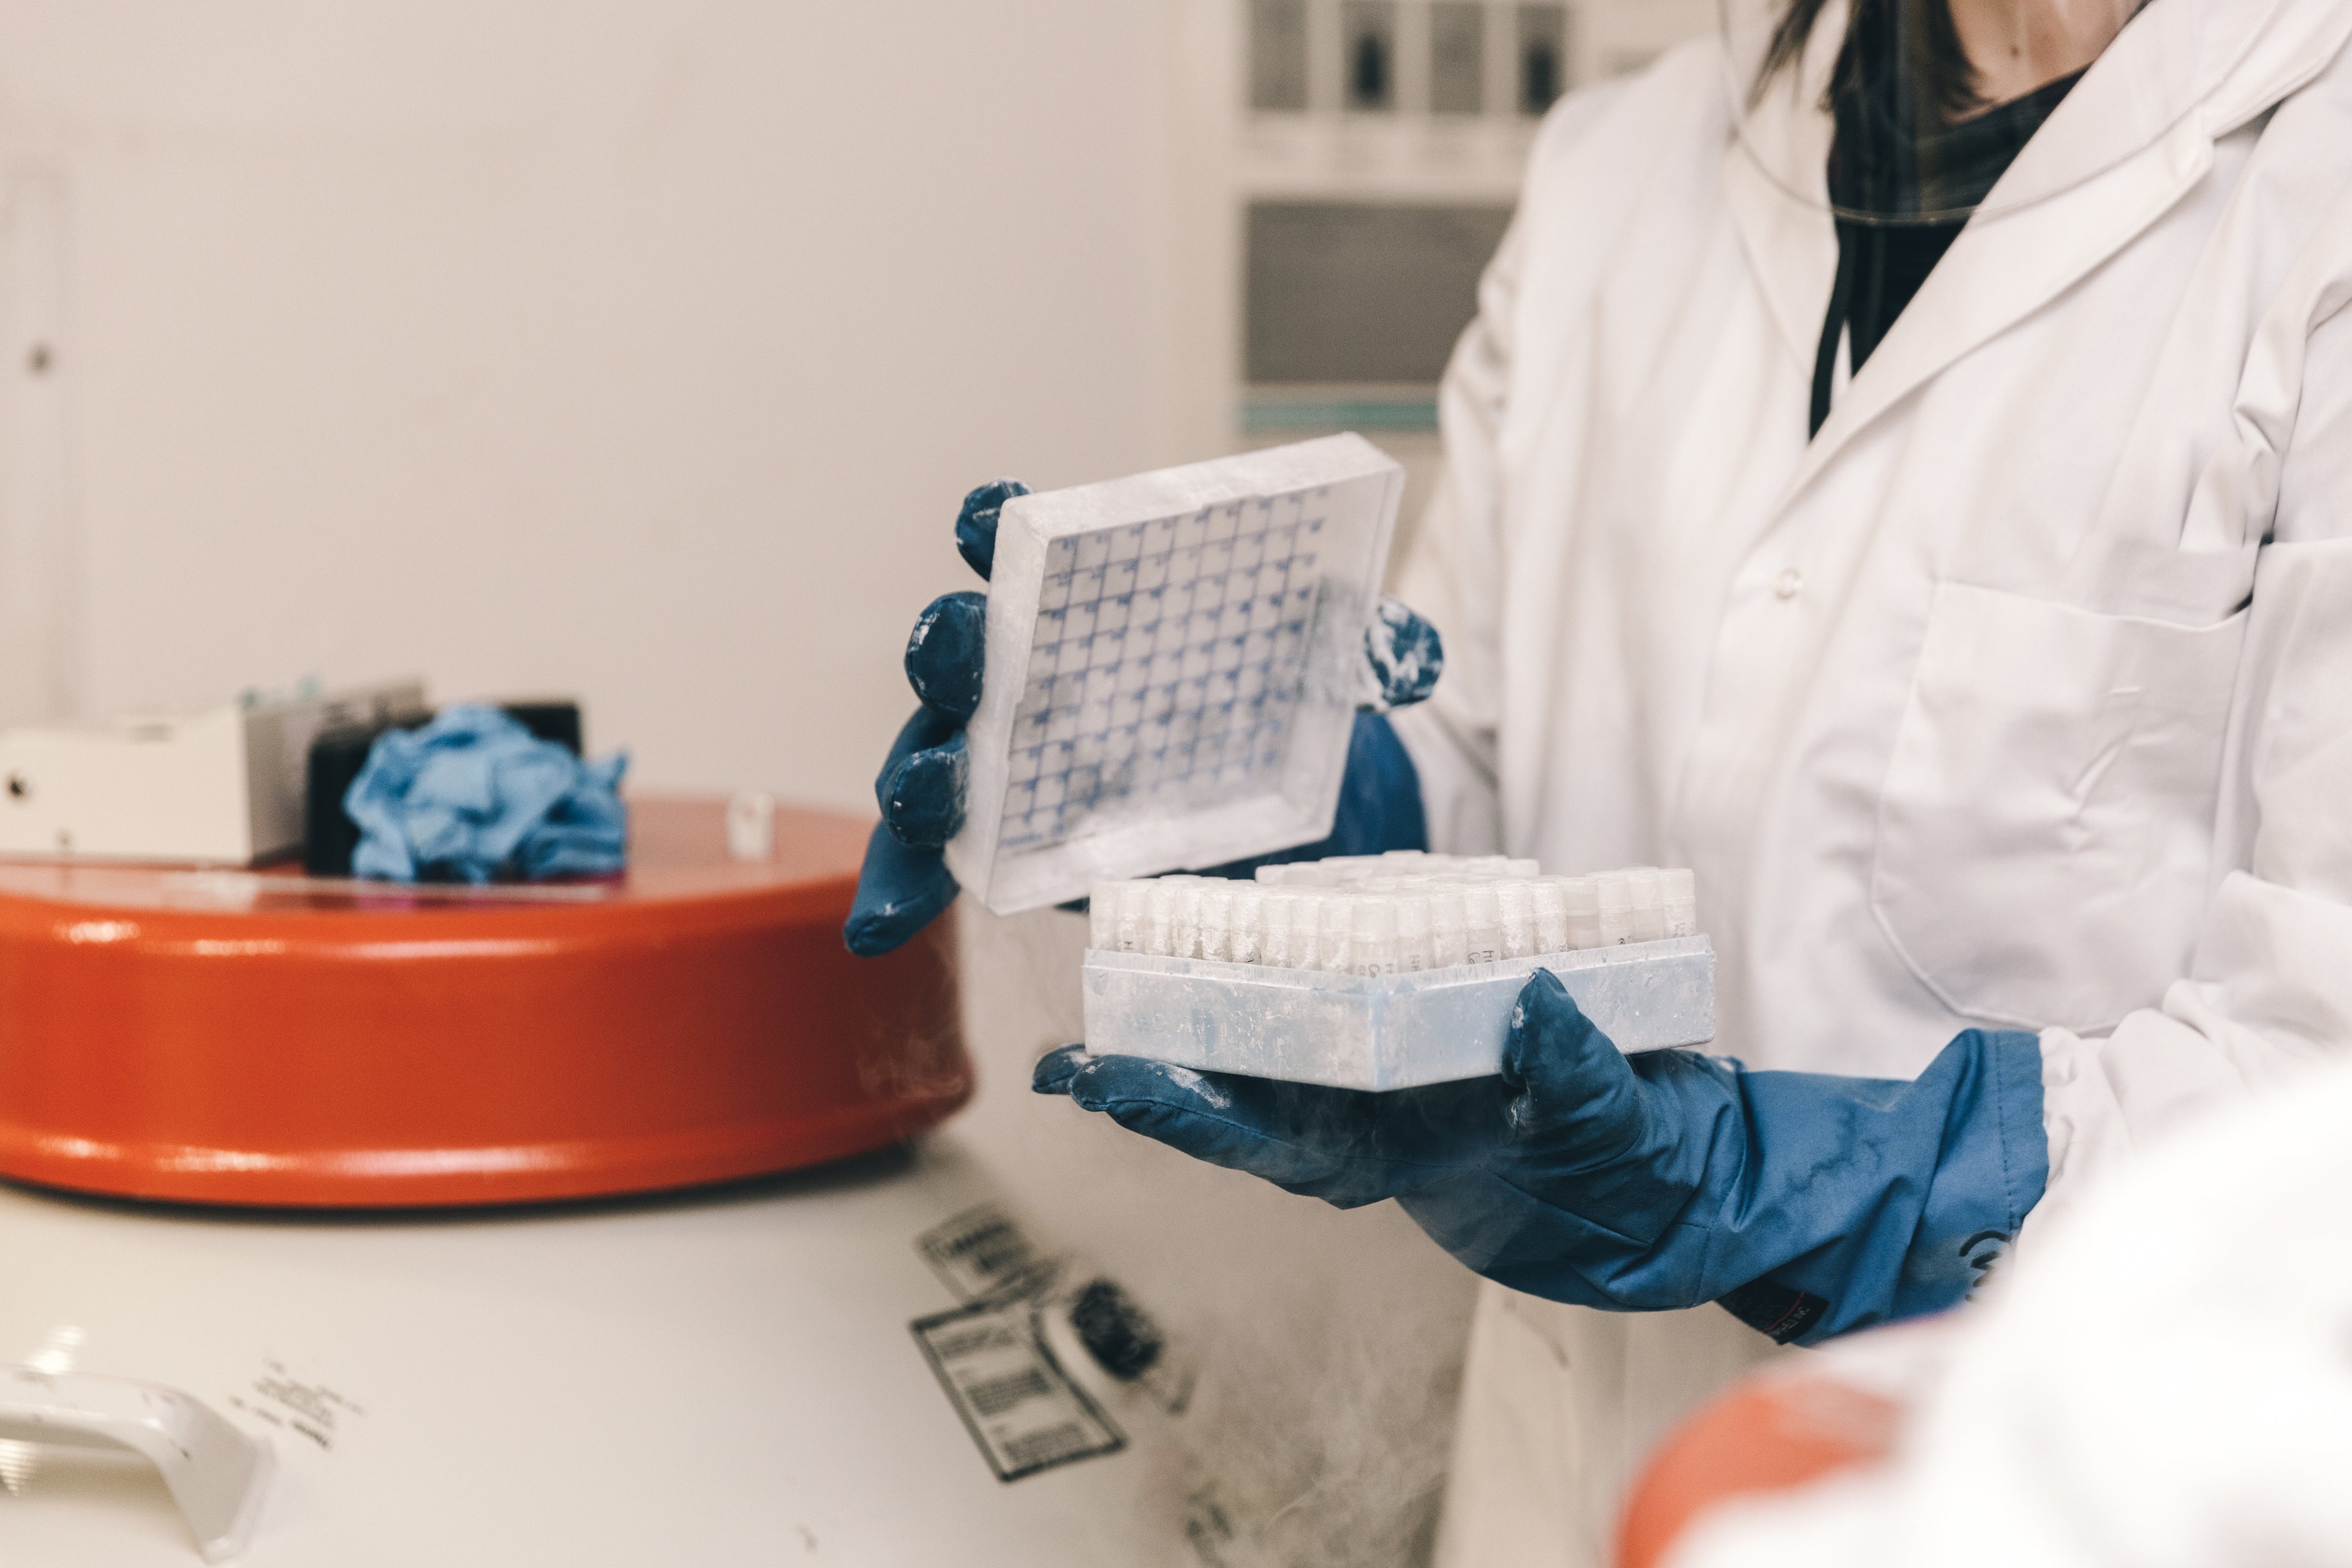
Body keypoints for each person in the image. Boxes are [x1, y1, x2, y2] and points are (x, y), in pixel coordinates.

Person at [850, 0, 2352, 1559]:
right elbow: (1482, 750)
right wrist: (1241, 815)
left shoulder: (2317, 188)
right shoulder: (1620, 171)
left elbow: (2318, 1097)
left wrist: (1757, 1184)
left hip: (2035, 1489)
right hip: (1555, 1470)